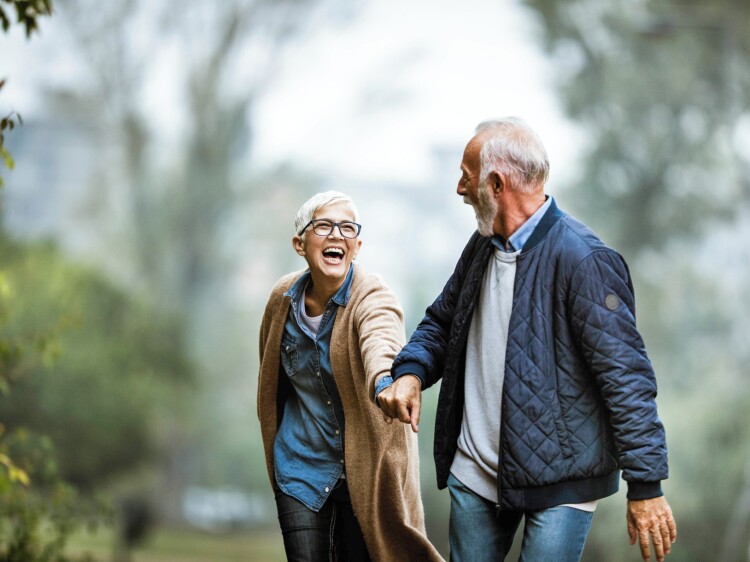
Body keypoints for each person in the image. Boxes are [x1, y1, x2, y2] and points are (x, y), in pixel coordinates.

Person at [377, 118, 677, 562]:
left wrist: (646, 485)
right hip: (475, 474)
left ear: (496, 183)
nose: (460, 188)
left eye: (466, 175)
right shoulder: (481, 246)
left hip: (562, 482)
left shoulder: (585, 260)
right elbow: (442, 322)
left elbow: (626, 378)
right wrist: (410, 372)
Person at [257, 191, 444, 562]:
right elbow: (270, 375)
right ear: (300, 243)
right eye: (323, 226)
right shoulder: (282, 299)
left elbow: (382, 340)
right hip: (299, 465)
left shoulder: (372, 295)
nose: (336, 235)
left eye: (346, 228)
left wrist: (385, 383)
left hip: (365, 472)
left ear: (357, 246)